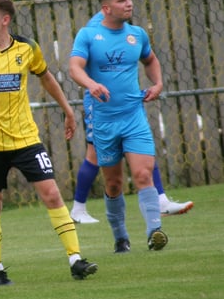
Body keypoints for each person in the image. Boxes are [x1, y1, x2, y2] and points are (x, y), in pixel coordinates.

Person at [0, 0, 98, 285]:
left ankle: (76, 259)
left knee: (52, 193)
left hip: (26, 139)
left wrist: (68, 110)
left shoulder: (27, 48)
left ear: (5, 19)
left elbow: (46, 77)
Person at [69, 0, 169, 253]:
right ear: (106, 8)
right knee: (113, 183)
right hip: (103, 121)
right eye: (122, 0)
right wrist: (91, 84)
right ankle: (121, 237)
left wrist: (158, 84)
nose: (129, 4)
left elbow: (150, 60)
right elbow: (74, 68)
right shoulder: (88, 35)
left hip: (133, 116)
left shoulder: (137, 34)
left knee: (142, 174)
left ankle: (154, 232)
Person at [70, 91, 193, 224]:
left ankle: (161, 201)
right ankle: (78, 209)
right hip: (101, 102)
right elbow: (78, 71)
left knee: (142, 149)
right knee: (93, 153)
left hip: (127, 100)